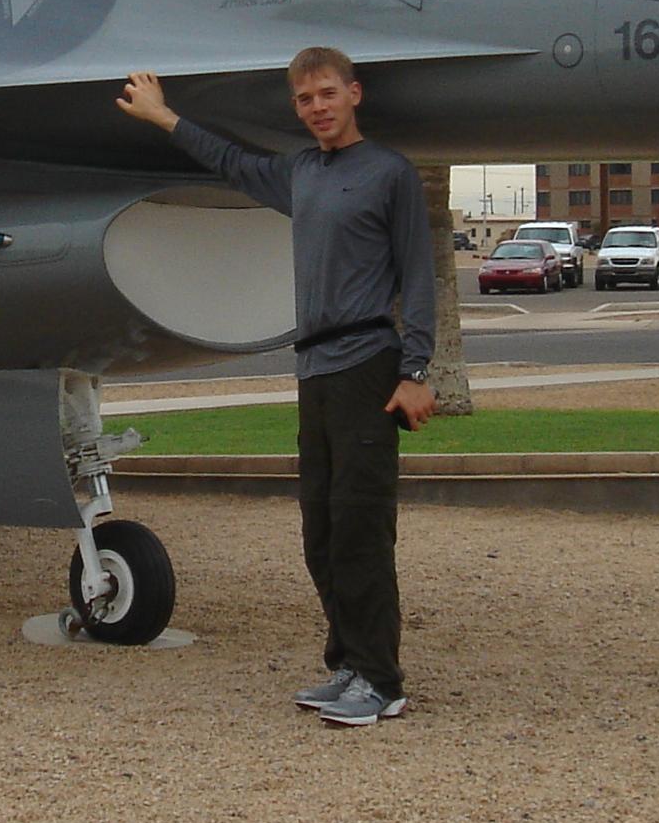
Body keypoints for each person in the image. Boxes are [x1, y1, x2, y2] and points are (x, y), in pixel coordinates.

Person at [116, 48, 436, 727]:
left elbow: (418, 274)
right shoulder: (300, 174)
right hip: (315, 369)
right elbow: (230, 162)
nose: (317, 107)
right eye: (305, 99)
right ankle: (348, 663)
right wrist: (163, 116)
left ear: (353, 94)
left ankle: (381, 681)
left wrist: (415, 371)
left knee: (360, 529)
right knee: (321, 531)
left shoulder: (389, 173)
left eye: (327, 93)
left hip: (368, 365)